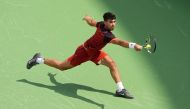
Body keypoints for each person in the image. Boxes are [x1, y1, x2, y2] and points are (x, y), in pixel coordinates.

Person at [26, 12, 143, 99]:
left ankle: (120, 90)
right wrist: (134, 45)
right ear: (106, 22)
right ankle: (39, 59)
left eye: (114, 21)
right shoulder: (107, 35)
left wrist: (88, 18)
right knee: (61, 66)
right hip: (84, 52)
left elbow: (93, 23)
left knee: (112, 64)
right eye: (111, 22)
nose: (113, 24)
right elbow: (120, 42)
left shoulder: (101, 24)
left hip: (95, 52)